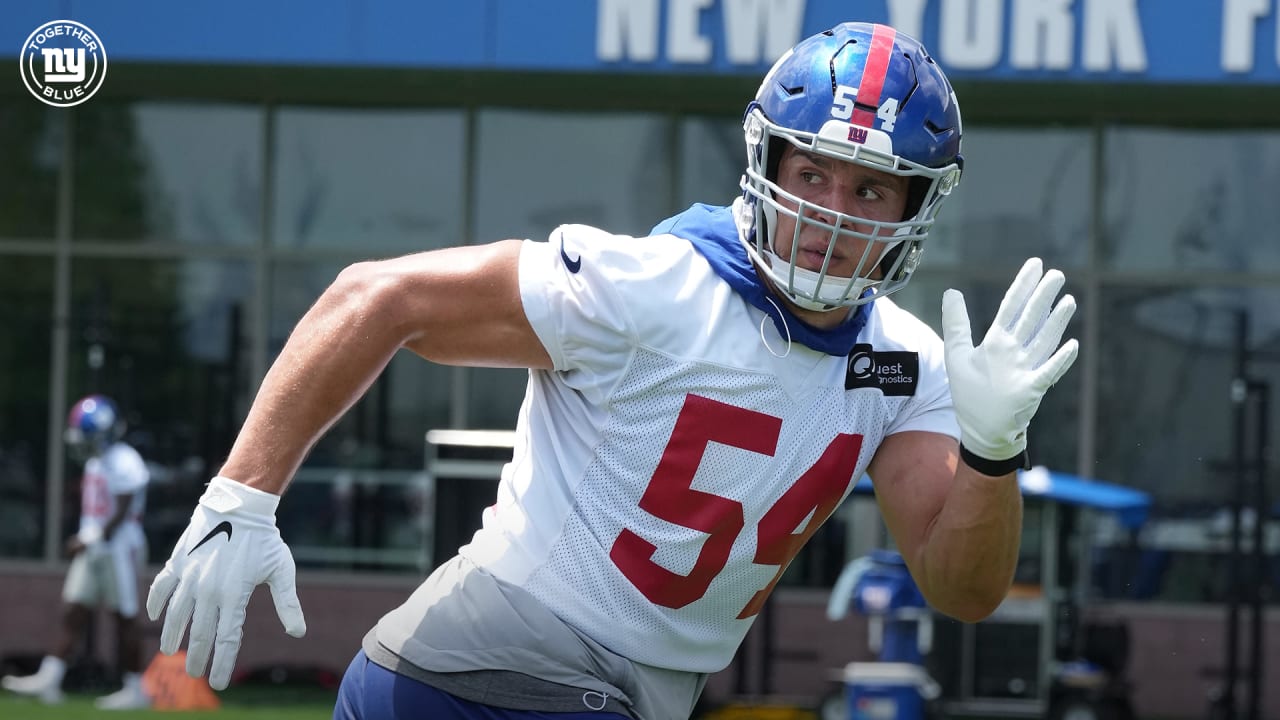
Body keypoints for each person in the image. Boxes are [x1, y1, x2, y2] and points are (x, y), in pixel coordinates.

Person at [145, 21, 1079, 720]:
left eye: (869, 188)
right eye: (813, 174)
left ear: (916, 209)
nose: (832, 212)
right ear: (766, 165)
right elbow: (374, 295)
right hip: (487, 670)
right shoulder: (652, 286)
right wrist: (243, 494)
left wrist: (994, 452)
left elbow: (964, 590)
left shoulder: (904, 363)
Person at [2, 394, 152, 710]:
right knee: (74, 611)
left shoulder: (125, 460)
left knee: (125, 618)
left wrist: (91, 537)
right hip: (95, 545)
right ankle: (50, 679)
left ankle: (136, 688)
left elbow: (122, 511)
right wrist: (89, 537)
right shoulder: (97, 461)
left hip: (118, 546)